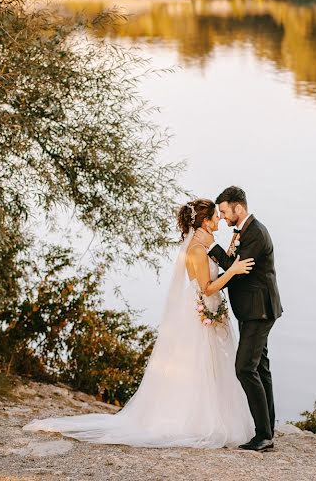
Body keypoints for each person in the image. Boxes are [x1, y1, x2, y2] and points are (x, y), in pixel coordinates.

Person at [23, 199, 255, 448]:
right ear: (205, 221)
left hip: (203, 308)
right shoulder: (197, 250)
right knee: (201, 363)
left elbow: (212, 272)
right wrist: (233, 271)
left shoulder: (203, 244)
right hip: (202, 308)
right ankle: (197, 420)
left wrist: (229, 257)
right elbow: (207, 288)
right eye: (215, 217)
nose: (219, 219)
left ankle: (213, 415)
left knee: (210, 364)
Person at [195, 186, 282, 452]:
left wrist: (211, 246)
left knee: (244, 368)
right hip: (250, 311)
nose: (222, 216)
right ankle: (268, 427)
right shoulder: (242, 232)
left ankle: (263, 435)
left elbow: (238, 271)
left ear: (238, 208)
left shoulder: (255, 233)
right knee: (261, 367)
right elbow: (233, 262)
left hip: (259, 311)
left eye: (224, 211)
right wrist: (223, 255)